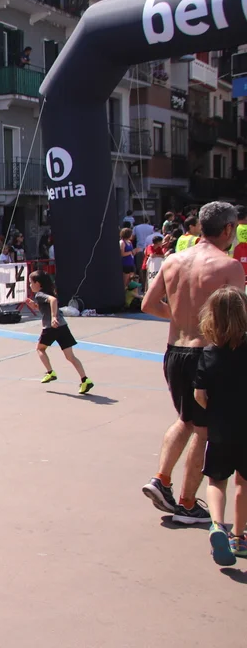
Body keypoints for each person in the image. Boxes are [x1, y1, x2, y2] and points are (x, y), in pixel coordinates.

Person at [142, 201, 243, 525]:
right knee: (204, 428)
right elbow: (236, 318)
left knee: (186, 419)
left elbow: (148, 304)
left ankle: (161, 479)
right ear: (227, 228)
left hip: (175, 351)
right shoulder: (228, 266)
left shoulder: (174, 260)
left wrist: (181, 317)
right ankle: (187, 503)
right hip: (206, 353)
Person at [193, 287, 247, 566]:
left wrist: (214, 411)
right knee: (244, 483)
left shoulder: (209, 354)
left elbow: (199, 395)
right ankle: (239, 536)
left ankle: (217, 525)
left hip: (220, 428)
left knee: (216, 480)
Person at [25, 270, 94, 394]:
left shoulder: (40, 294)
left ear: (38, 283)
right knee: (70, 356)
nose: (30, 285)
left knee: (40, 349)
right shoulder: (46, 293)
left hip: (50, 327)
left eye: (31, 283)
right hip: (62, 326)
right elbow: (45, 307)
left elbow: (53, 301)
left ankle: (50, 372)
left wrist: (53, 317)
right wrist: (34, 306)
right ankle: (85, 380)